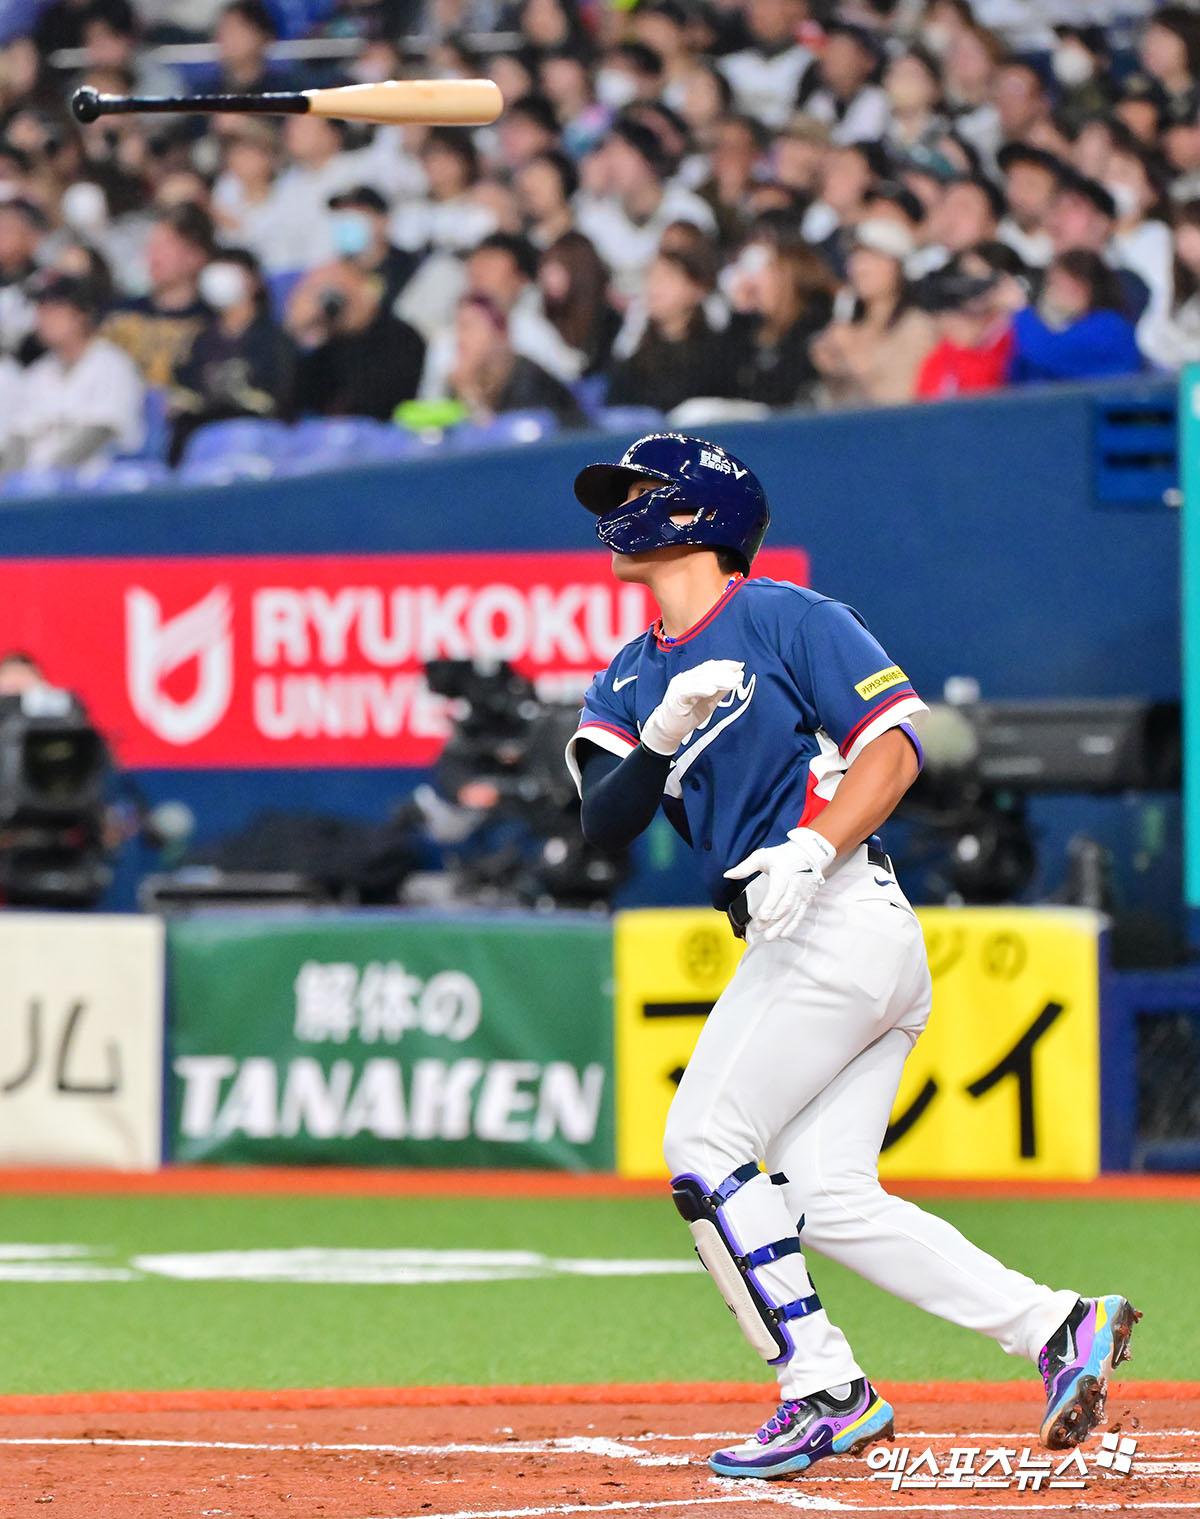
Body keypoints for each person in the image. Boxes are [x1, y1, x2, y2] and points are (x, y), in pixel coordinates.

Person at [564, 429, 1138, 1479]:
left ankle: (822, 1387)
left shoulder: (785, 613)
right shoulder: (630, 674)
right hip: (804, 935)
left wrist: (812, 845)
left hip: (839, 909)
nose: (622, 510)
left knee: (702, 1141)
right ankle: (1060, 1326)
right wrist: (654, 741)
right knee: (827, 1196)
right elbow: (602, 825)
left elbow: (897, 739)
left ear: (697, 514)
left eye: (644, 491)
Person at [3, 272, 144, 470]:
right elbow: (19, 437)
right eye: (41, 309)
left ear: (82, 314)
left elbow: (100, 433)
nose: (44, 318)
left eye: (54, 309)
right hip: (39, 490)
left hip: (97, 486)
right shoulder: (38, 372)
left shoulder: (111, 364)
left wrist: (47, 477)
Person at [169, 247, 295, 461]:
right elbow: (187, 389)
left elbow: (280, 396)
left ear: (254, 281)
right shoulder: (200, 341)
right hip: (206, 429)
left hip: (256, 432)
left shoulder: (273, 339)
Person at [810, 219, 936, 406]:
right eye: (855, 256)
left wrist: (854, 356)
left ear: (899, 267)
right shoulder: (850, 327)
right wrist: (831, 371)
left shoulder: (917, 328)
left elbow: (902, 400)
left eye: (873, 256)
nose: (860, 267)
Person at [286, 257, 425, 418]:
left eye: (340, 288)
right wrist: (300, 329)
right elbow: (291, 403)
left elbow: (379, 402)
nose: (333, 302)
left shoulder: (401, 338)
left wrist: (355, 325)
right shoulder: (323, 344)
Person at [100, 201, 214, 387]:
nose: (153, 254)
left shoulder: (212, 323)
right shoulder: (120, 312)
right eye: (152, 244)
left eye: (167, 245)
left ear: (197, 255)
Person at [605, 246, 729, 413]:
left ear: (696, 289)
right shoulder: (635, 360)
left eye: (666, 277)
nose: (654, 286)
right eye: (650, 277)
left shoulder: (719, 356)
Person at [447, 291, 584, 427]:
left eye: (468, 327)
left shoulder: (526, 379)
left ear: (500, 332)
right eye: (458, 328)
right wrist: (466, 391)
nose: (460, 339)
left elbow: (511, 436)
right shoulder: (468, 380)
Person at [1008, 248, 1142, 384]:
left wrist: (1018, 308)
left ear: (1082, 286)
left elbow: (1047, 351)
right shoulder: (1070, 326)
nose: (1050, 293)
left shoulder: (1111, 328)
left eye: (1055, 284)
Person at [727, 239, 834, 405]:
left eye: (770, 272)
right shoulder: (747, 330)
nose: (756, 283)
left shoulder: (814, 331)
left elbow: (785, 390)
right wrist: (739, 313)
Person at [1137, 198, 1200, 369]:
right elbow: (1150, 339)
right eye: (1181, 232)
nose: (1186, 241)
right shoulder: (1174, 288)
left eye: (1193, 230)